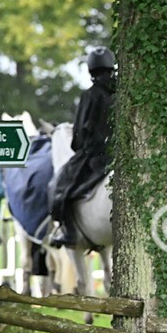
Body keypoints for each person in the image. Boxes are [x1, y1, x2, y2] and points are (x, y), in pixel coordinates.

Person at [49, 47, 116, 247]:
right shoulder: (122, 93)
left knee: (61, 185)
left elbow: (79, 132)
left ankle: (68, 231)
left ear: (91, 70)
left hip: (96, 155)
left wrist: (78, 145)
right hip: (121, 153)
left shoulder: (90, 95)